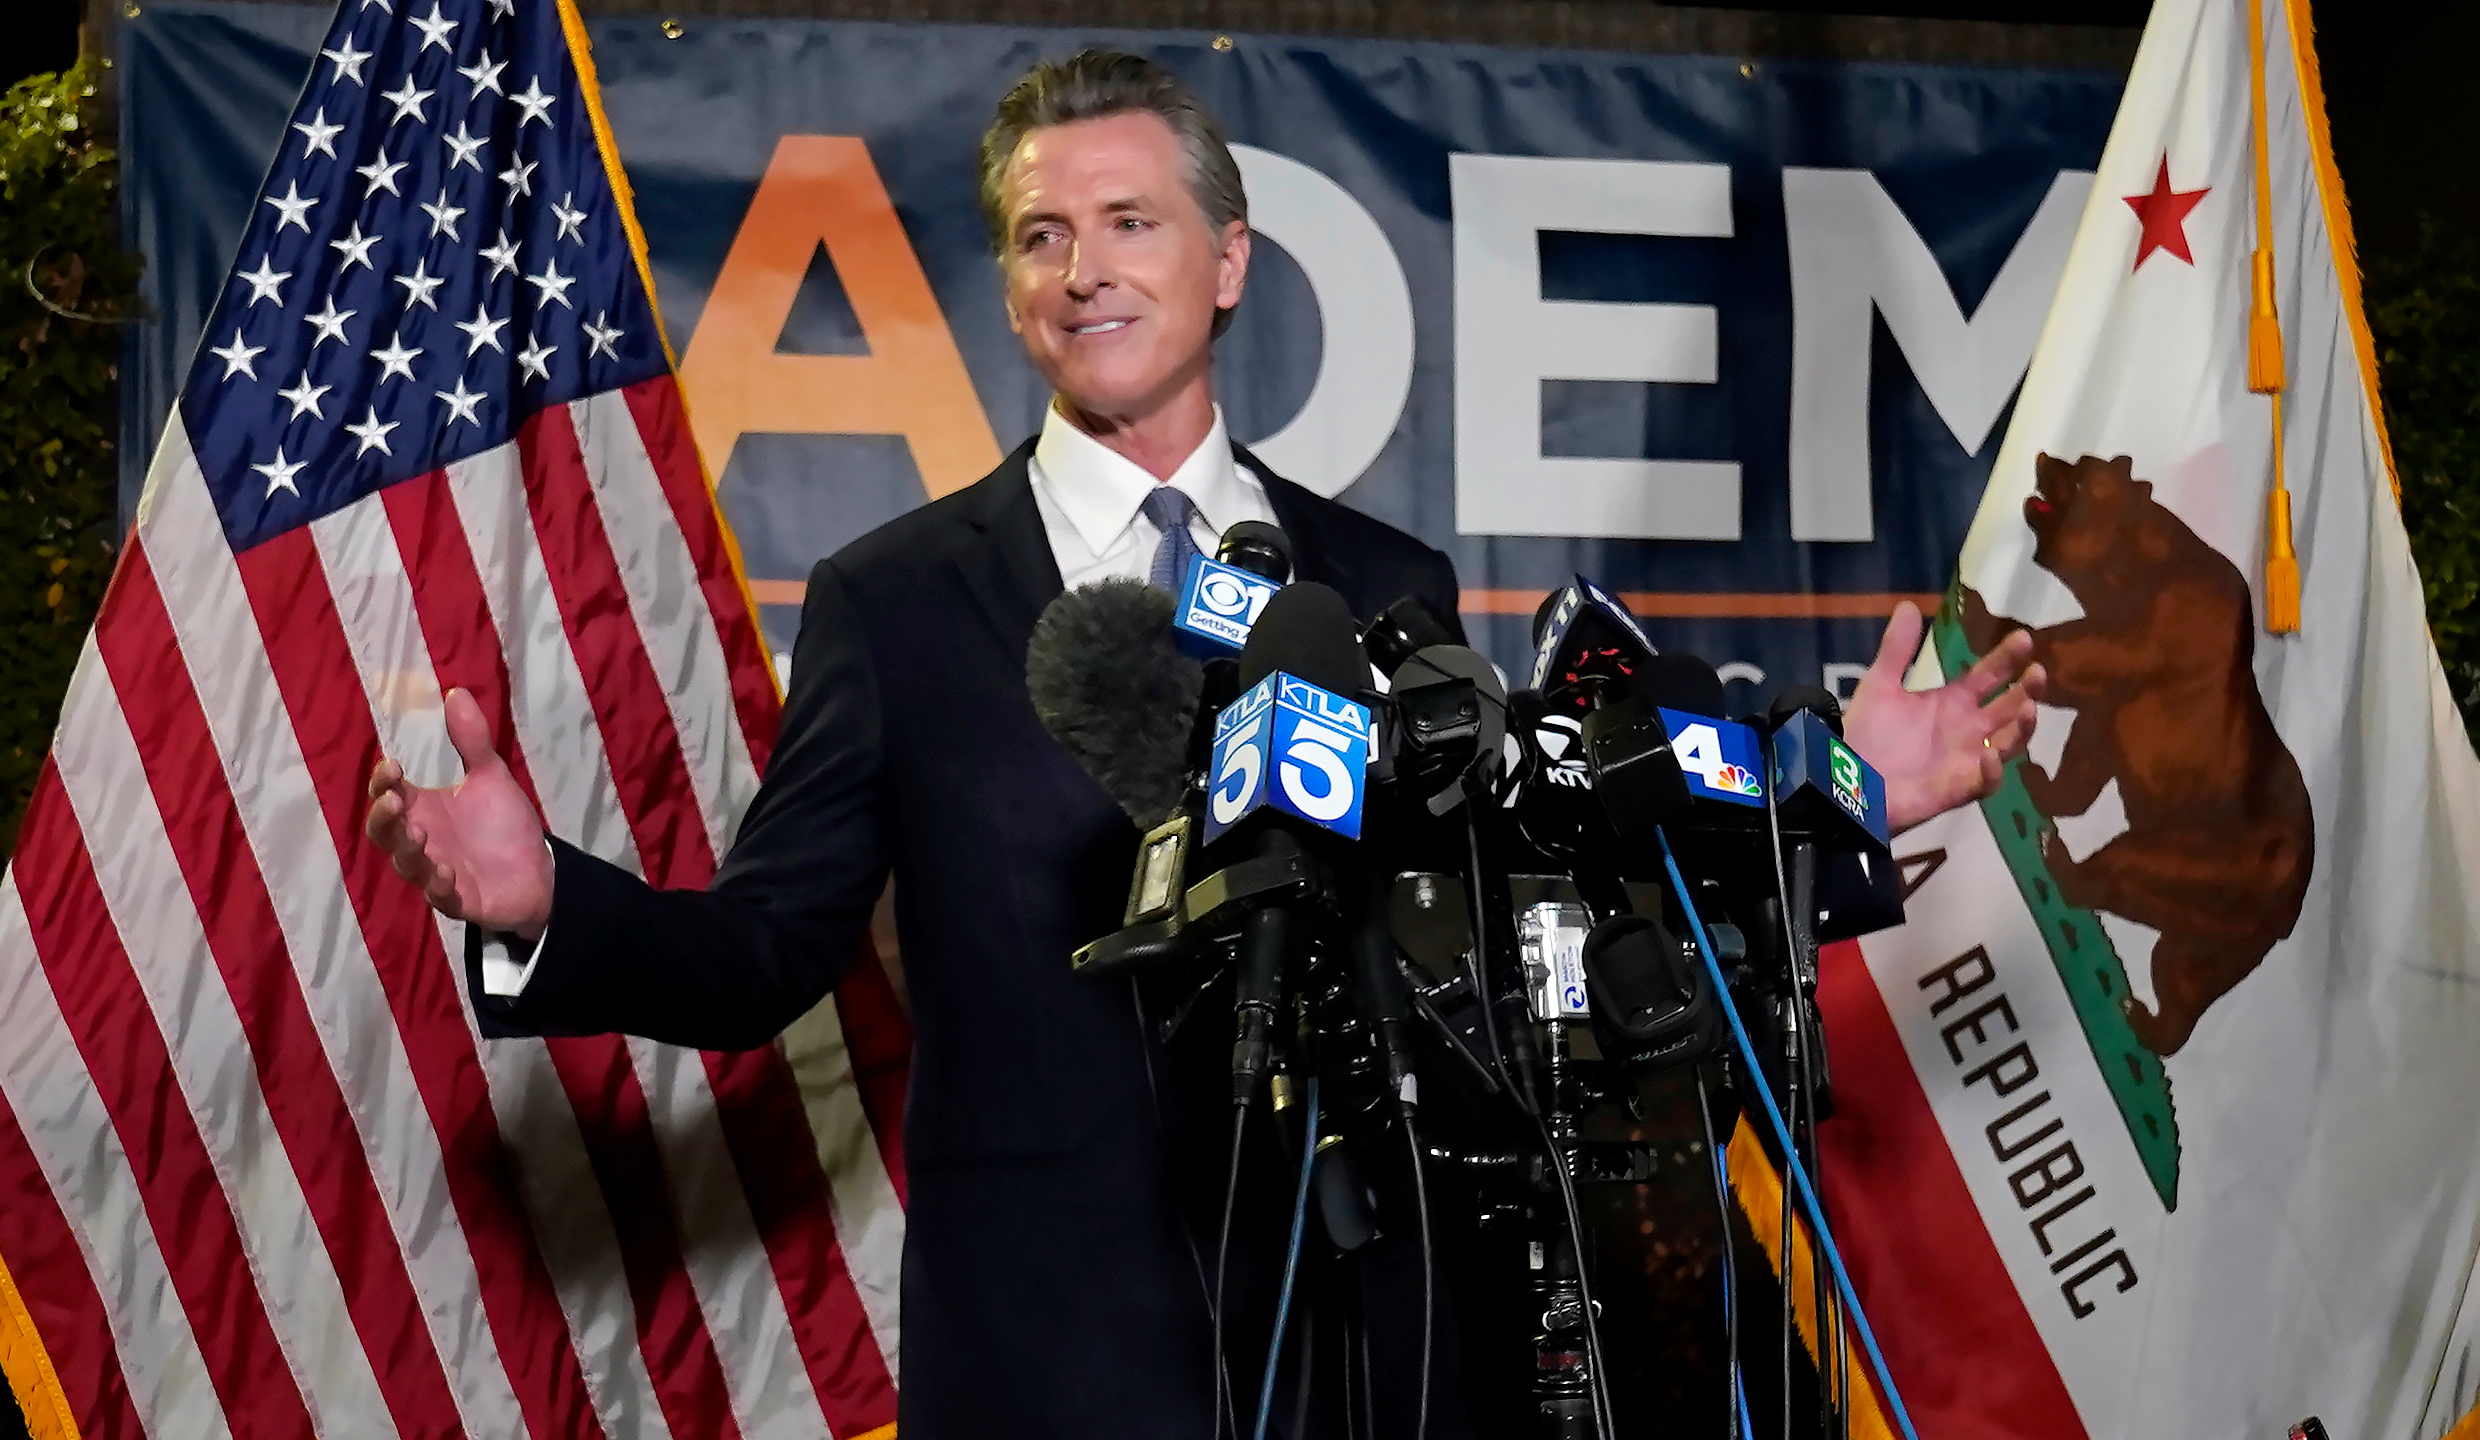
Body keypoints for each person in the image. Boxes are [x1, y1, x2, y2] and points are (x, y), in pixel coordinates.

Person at [364, 48, 2041, 1440]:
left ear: (1226, 261)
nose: (1081, 268)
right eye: (1038, 236)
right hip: (1048, 1364)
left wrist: (1839, 802)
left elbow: (1528, 941)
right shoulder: (898, 602)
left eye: (1127, 221)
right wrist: (541, 906)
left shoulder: (1382, 583)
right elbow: (755, 954)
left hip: (1366, 1354)